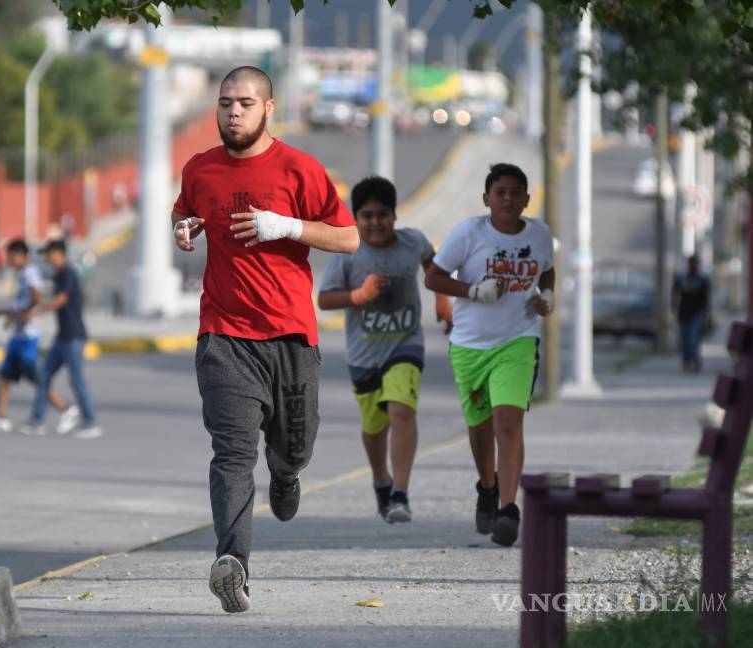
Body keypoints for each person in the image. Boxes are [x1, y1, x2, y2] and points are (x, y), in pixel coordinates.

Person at [172, 66, 359, 613]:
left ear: (268, 108)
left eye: (245, 103)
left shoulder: (301, 169)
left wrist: (288, 226)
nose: (233, 112)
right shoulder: (200, 168)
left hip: (291, 338)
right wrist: (183, 227)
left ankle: (287, 474)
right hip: (224, 336)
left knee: (294, 445)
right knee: (232, 453)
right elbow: (186, 209)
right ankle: (233, 564)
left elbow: (348, 237)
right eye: (225, 103)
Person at [425, 163, 555, 547]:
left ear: (527, 199)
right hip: (469, 345)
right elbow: (433, 277)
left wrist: (546, 296)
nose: (508, 199)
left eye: (516, 193)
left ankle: (509, 509)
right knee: (480, 426)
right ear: (487, 198)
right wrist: (473, 291)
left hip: (518, 340)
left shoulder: (540, 235)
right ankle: (487, 486)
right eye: (500, 193)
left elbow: (546, 270)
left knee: (508, 422)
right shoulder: (469, 233)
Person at [318, 176, 452, 524]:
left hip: (405, 345)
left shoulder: (412, 241)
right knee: (374, 427)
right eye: (367, 215)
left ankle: (400, 494)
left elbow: (432, 263)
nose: (376, 222)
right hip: (363, 354)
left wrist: (442, 299)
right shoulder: (348, 252)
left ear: (395, 215)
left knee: (401, 410)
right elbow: (324, 299)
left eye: (383, 214)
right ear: (356, 218)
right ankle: (381, 480)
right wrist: (359, 296)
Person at [0, 239, 78, 435]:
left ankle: (64, 409)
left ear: (20, 255)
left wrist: (22, 315)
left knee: (35, 377)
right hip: (18, 335)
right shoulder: (23, 273)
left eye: (10, 256)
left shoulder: (30, 273)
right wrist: (7, 313)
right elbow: (24, 303)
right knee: (5, 375)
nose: (8, 260)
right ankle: (0, 416)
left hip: (26, 337)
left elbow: (36, 299)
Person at [22, 239, 101, 439]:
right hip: (62, 337)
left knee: (76, 380)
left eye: (49, 254)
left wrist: (37, 311)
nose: (47, 258)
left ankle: (90, 422)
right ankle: (37, 420)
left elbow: (62, 299)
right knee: (43, 376)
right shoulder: (59, 275)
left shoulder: (68, 273)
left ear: (59, 254)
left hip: (73, 337)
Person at [672, 255, 710, 373]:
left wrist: (706, 313)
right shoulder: (681, 278)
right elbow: (674, 293)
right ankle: (686, 362)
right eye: (690, 263)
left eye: (694, 263)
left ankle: (694, 361)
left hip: (697, 313)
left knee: (693, 338)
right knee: (685, 339)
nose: (692, 266)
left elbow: (706, 298)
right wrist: (674, 306)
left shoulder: (702, 280)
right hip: (684, 313)